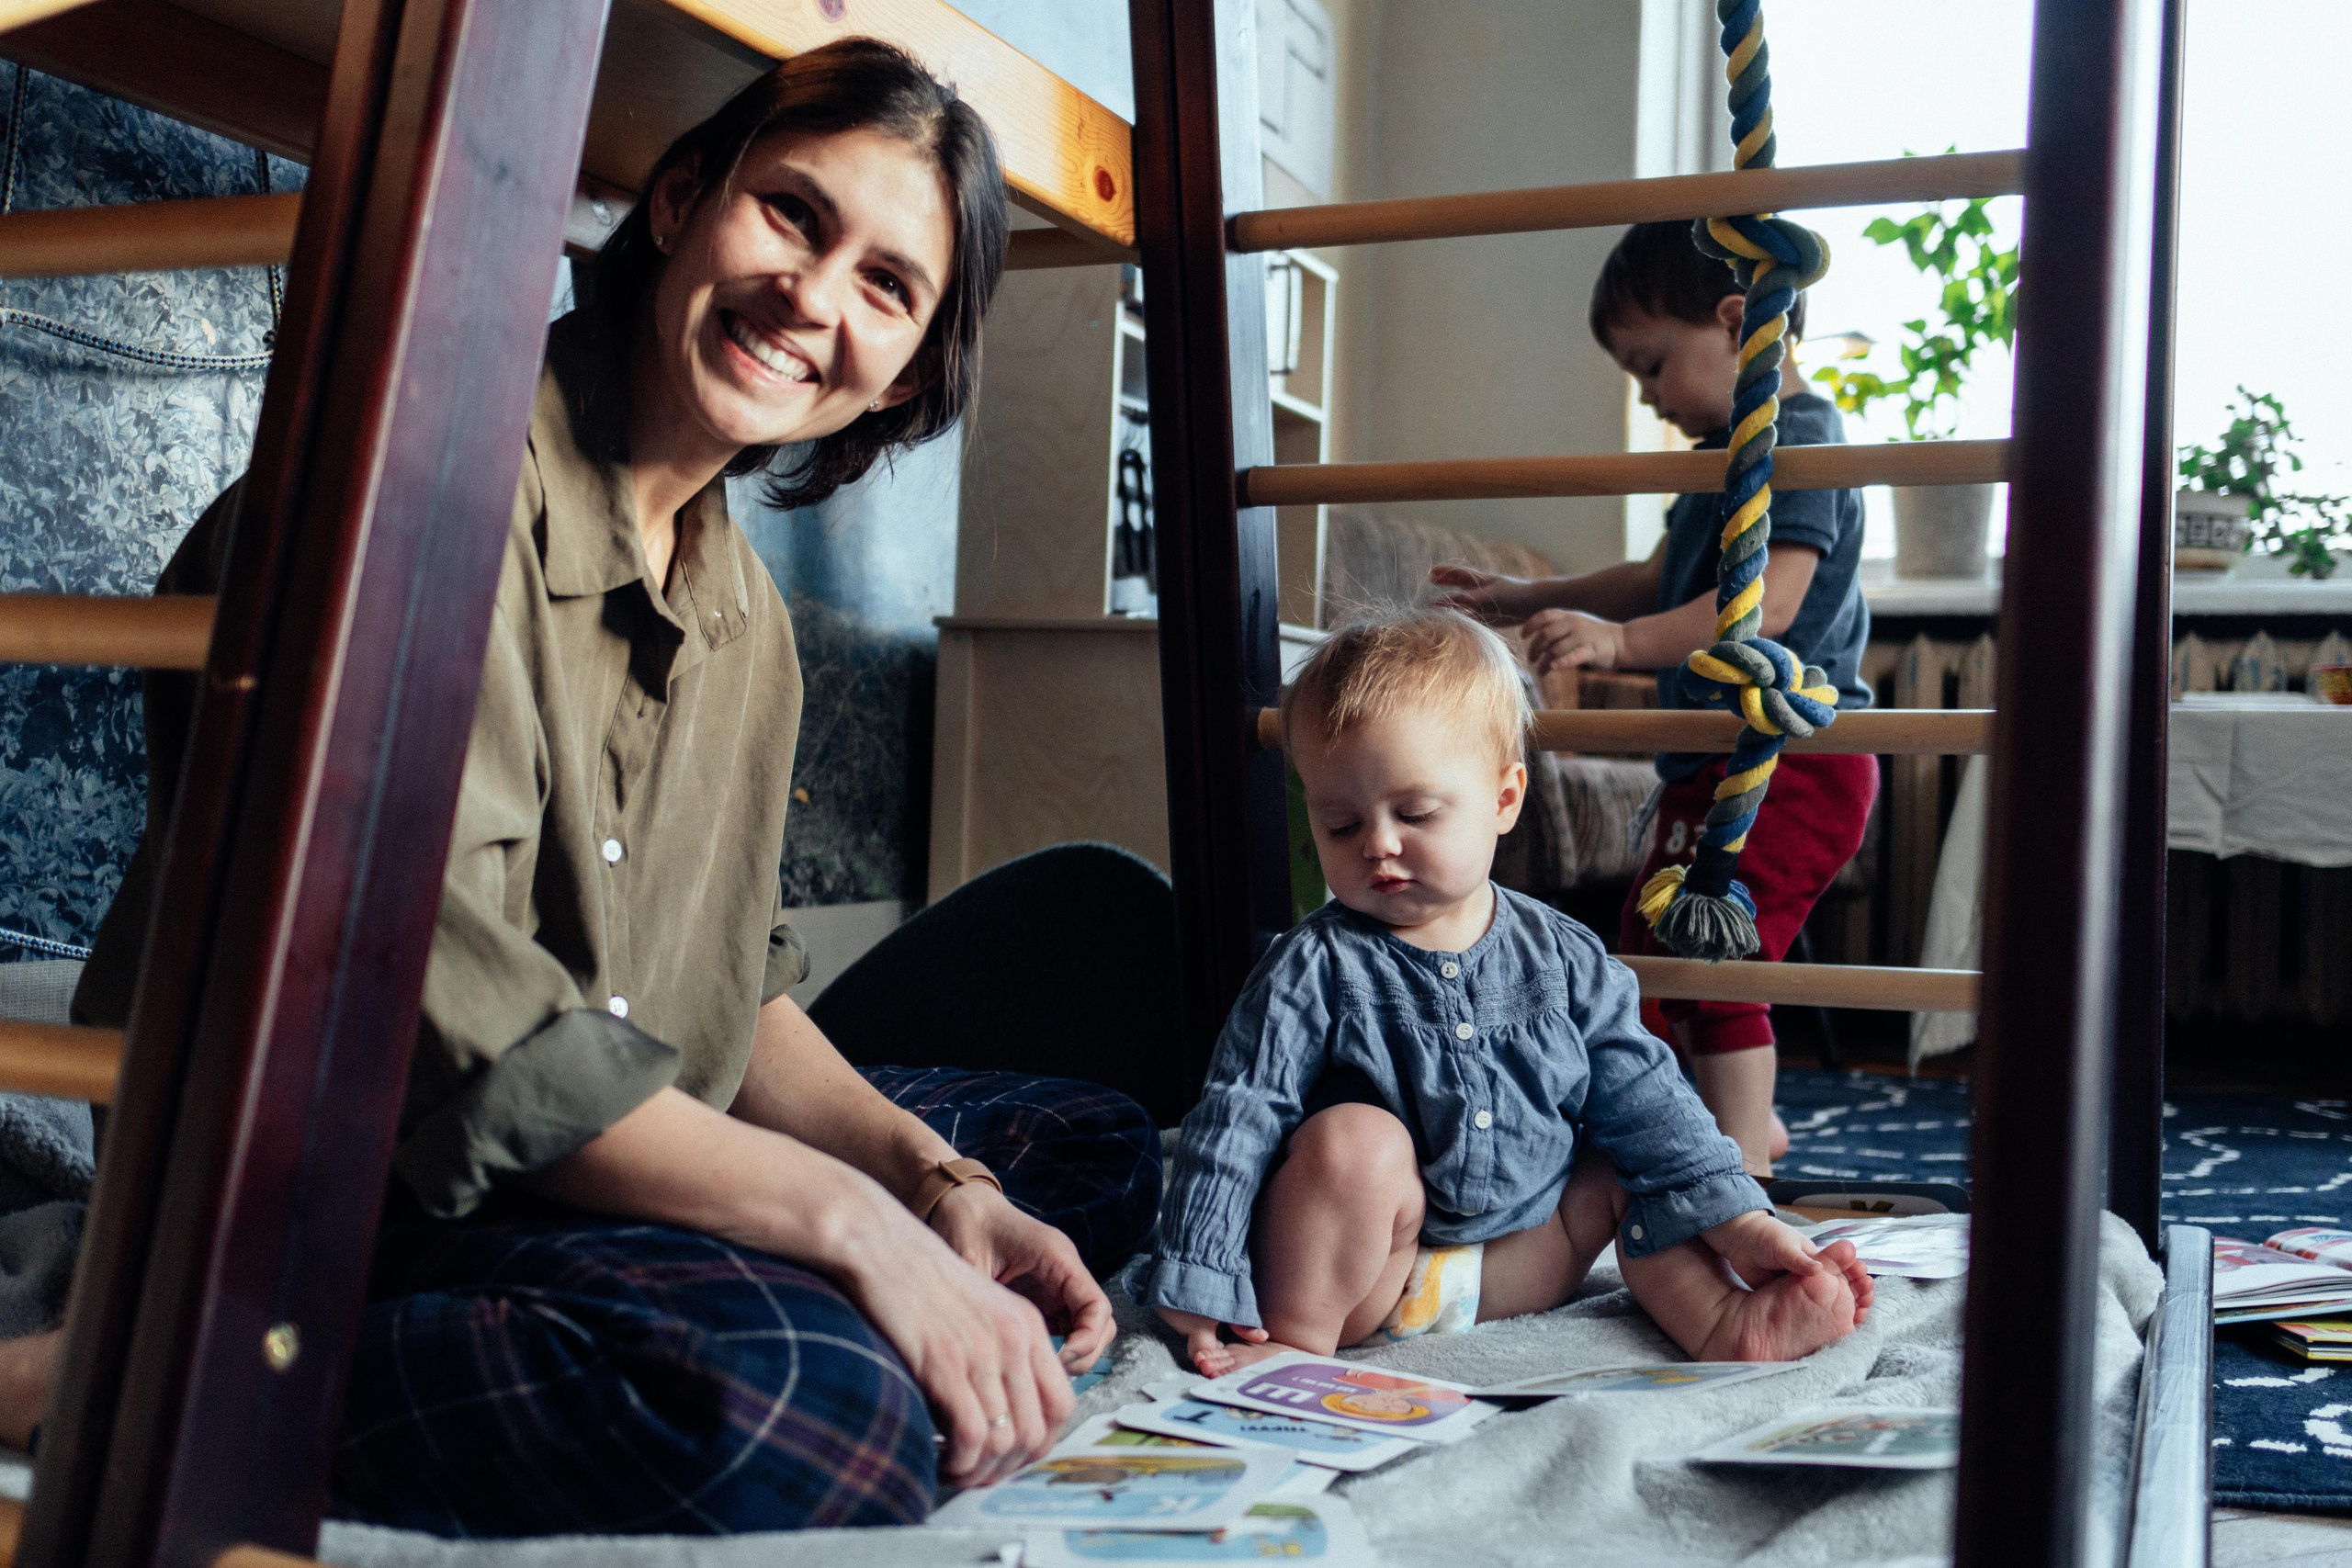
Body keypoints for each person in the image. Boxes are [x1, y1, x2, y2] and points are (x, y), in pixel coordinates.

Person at [5, 41, 1165, 1539]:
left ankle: (803, 1255)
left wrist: (937, 1195)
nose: (817, 299)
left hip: (599, 1148)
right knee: (809, 1413)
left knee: (1090, 1154)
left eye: (890, 285)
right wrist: (848, 1228)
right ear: (682, 199)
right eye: (797, 217)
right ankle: (110, 1370)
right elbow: (465, 1054)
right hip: (356, 1189)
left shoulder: (744, 620)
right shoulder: (416, 518)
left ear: (913, 360)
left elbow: (728, 995)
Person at [1138, 609, 1871, 1377]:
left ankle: (1722, 1319)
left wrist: (1740, 1218)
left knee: (1632, 1149)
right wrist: (1200, 1267)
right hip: (1368, 1281)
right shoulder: (1313, 964)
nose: (1378, 844)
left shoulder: (1565, 956)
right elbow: (1236, 1112)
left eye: (1415, 813)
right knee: (1357, 1141)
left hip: (1521, 1266)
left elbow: (1652, 1098)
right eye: (1341, 823)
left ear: (1504, 797)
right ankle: (1290, 1353)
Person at [1430, 220, 1877, 1177]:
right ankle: (1735, 1125)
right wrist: (1535, 598)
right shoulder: (1723, 449)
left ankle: (1740, 1181)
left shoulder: (1797, 438)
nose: (1647, 397)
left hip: (1789, 764)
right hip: (1706, 760)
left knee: (1714, 966)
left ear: (1732, 321)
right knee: (1651, 958)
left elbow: (1769, 603)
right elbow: (1661, 573)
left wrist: (1623, 645)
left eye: (1652, 366)